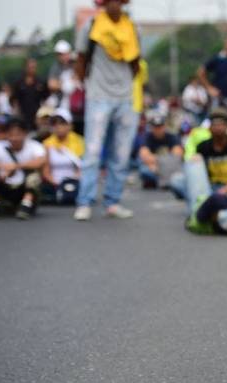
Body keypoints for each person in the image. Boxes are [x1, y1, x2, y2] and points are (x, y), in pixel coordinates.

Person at [73, 0, 141, 221]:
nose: (114, 5)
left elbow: (136, 61)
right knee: (92, 152)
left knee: (120, 155)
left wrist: (133, 90)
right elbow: (81, 58)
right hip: (98, 96)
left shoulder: (131, 27)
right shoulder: (92, 25)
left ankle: (113, 201)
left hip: (124, 97)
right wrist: (83, 86)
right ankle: (85, 202)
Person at [0, 118, 46, 219]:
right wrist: (3, 166)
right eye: (11, 134)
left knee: (34, 176)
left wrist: (16, 166)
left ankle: (26, 204)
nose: (14, 138)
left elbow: (40, 161)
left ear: (25, 134)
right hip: (4, 186)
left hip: (23, 188)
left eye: (18, 134)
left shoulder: (34, 146)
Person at [41, 110, 81, 205]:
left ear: (70, 125)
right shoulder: (47, 143)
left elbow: (80, 169)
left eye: (62, 123)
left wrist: (71, 181)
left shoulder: (79, 141)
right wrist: (58, 184)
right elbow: (46, 171)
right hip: (53, 183)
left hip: (73, 181)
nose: (58, 127)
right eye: (54, 123)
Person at [138, 115, 183, 191]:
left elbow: (177, 156)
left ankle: (162, 181)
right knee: (144, 171)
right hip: (154, 168)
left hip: (168, 168)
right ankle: (165, 181)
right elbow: (144, 156)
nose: (158, 129)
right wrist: (164, 160)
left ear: (164, 126)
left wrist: (157, 161)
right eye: (155, 127)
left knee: (181, 170)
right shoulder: (147, 137)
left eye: (160, 126)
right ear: (152, 127)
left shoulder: (172, 137)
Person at [11, 58, 49, 130]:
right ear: (25, 67)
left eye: (34, 67)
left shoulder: (41, 82)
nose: (32, 69)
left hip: (37, 116)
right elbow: (14, 100)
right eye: (30, 67)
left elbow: (45, 99)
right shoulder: (19, 83)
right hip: (23, 115)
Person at [47, 40, 77, 111]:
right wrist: (64, 85)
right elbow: (51, 84)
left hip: (76, 103)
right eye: (59, 54)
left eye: (63, 54)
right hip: (61, 104)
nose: (61, 56)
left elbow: (79, 79)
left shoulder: (75, 64)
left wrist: (61, 83)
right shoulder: (56, 66)